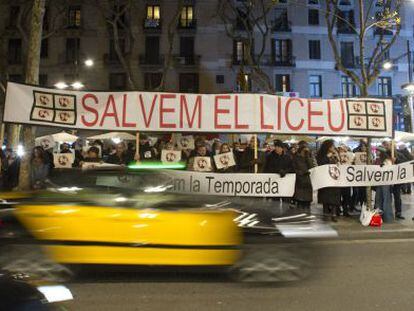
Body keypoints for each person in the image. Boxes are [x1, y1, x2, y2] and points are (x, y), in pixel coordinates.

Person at [316, 139, 341, 222]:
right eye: (332, 146)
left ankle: (334, 214)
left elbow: (339, 164)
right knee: (325, 197)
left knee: (335, 196)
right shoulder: (321, 155)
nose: (333, 147)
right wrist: (327, 156)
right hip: (325, 179)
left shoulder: (335, 154)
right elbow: (320, 163)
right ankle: (325, 214)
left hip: (334, 178)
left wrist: (337, 157)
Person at [292, 145, 315, 209]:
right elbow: (294, 168)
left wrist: (307, 156)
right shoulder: (296, 158)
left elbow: (311, 167)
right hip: (299, 181)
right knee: (300, 203)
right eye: (304, 150)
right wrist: (301, 173)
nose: (304, 152)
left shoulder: (308, 158)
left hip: (307, 182)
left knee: (307, 204)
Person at [375, 149, 394, 223]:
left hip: (386, 182)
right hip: (379, 181)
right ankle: (379, 216)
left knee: (386, 199)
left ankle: (388, 217)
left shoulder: (387, 161)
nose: (377, 152)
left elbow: (389, 170)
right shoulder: (378, 160)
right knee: (378, 198)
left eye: (378, 151)